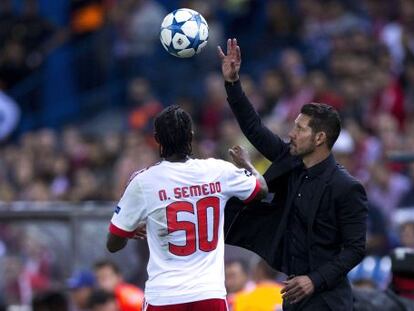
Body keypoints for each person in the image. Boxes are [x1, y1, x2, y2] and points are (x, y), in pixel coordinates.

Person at [218, 39, 368, 310]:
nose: (291, 134)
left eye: (300, 129)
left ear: (320, 137)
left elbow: (356, 248)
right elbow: (255, 129)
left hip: (329, 301)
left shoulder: (346, 187)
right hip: (293, 297)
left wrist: (314, 280)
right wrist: (232, 83)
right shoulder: (292, 163)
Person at [106, 105, 268, 310]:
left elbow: (113, 244)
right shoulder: (217, 170)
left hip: (164, 297)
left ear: (156, 139)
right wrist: (247, 164)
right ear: (191, 136)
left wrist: (129, 232)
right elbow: (261, 189)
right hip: (210, 294)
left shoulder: (144, 181)